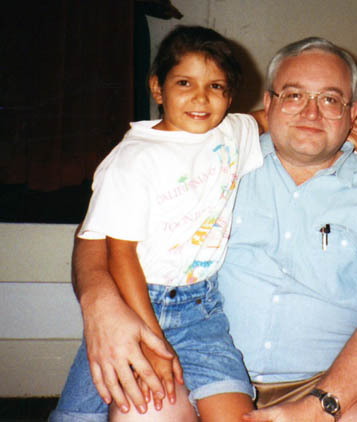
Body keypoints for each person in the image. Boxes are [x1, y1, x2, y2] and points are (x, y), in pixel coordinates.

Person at [61, 36, 357, 422]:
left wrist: (321, 405)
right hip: (194, 365)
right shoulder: (218, 157)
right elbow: (100, 234)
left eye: (330, 99)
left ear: (353, 111)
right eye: (293, 95)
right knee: (144, 412)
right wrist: (98, 301)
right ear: (268, 104)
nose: (311, 112)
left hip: (330, 381)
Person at [50, 25, 264, 422]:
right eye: (185, 82)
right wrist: (150, 336)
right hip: (137, 304)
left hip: (203, 312)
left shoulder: (233, 132)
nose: (201, 97)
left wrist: (352, 133)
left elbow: (268, 118)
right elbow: (120, 254)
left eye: (216, 86)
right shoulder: (133, 159)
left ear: (229, 95)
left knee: (238, 413)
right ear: (157, 88)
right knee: (80, 414)